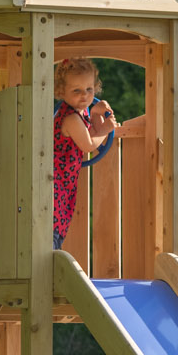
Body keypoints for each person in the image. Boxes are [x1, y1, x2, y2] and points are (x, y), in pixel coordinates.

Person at [54, 57, 119, 248]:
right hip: (56, 184)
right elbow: (89, 145)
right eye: (76, 90)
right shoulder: (71, 119)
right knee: (52, 232)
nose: (84, 95)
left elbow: (91, 131)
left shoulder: (79, 112)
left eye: (89, 89)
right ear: (61, 91)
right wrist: (106, 130)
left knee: (59, 228)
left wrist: (96, 113)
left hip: (64, 184)